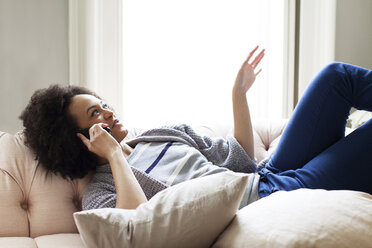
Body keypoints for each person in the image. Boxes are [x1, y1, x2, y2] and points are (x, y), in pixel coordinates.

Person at [20, 46, 372, 211]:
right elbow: (134, 222)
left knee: (335, 76)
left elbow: (243, 161)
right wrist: (114, 155)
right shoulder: (101, 191)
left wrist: (238, 94)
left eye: (104, 103)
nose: (110, 113)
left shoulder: (162, 133)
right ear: (77, 140)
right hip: (266, 200)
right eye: (96, 113)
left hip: (267, 176)